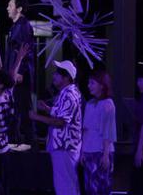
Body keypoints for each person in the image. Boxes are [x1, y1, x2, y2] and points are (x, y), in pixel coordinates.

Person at [29, 61, 82, 195]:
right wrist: (48, 109)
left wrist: (36, 117)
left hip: (65, 146)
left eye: (57, 74)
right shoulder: (67, 92)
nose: (54, 76)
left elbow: (61, 122)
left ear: (66, 78)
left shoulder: (69, 95)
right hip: (65, 146)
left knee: (64, 185)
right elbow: (63, 113)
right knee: (68, 183)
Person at [4, 0, 35, 147]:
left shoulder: (24, 26)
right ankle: (16, 140)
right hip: (13, 73)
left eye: (10, 5)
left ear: (19, 9)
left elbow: (24, 50)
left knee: (22, 108)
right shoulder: (14, 27)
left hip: (20, 75)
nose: (7, 8)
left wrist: (19, 72)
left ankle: (27, 143)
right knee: (15, 109)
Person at [80, 69, 115, 195]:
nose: (89, 86)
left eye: (92, 83)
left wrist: (105, 155)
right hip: (89, 151)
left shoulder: (108, 103)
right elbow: (85, 130)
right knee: (90, 187)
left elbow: (108, 131)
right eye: (89, 83)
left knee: (102, 187)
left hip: (101, 152)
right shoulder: (89, 104)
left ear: (102, 85)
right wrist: (82, 151)